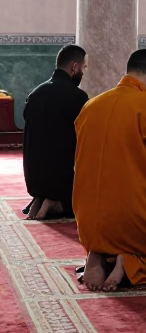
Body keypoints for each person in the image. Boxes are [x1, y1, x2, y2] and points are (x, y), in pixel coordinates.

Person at [73, 49, 146, 292]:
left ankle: (101, 254)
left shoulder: (90, 107)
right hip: (136, 222)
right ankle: (132, 264)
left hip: (89, 223)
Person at [22, 44, 88, 220]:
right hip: (60, 182)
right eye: (83, 68)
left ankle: (41, 198)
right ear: (74, 67)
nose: (83, 72)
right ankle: (58, 202)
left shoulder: (36, 93)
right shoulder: (78, 96)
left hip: (34, 179)